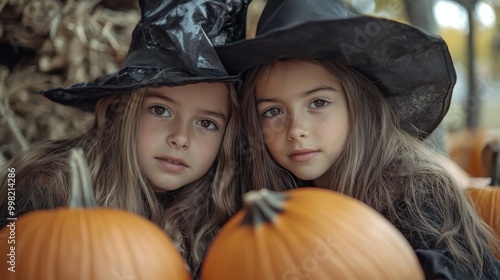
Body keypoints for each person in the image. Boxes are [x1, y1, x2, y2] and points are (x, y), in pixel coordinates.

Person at [215, 0, 500, 279]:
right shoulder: (264, 198)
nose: (295, 129)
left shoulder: (417, 192)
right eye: (273, 111)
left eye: (318, 103)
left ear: (358, 106)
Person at [0, 0, 248, 275]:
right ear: (117, 111)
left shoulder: (219, 217)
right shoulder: (45, 191)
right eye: (160, 109)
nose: (181, 138)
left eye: (206, 122)